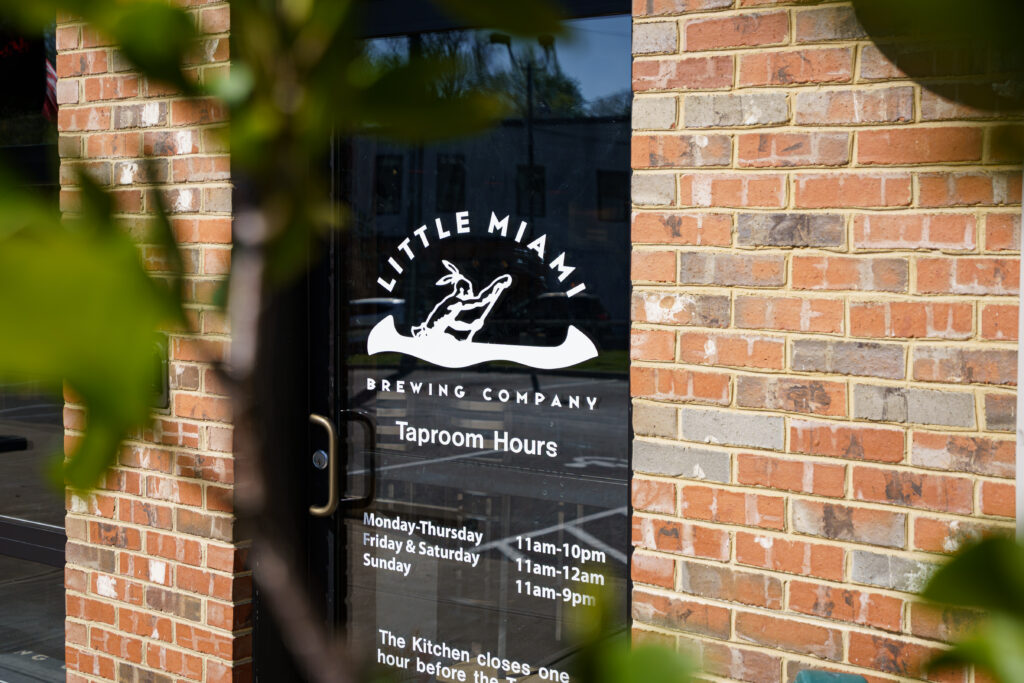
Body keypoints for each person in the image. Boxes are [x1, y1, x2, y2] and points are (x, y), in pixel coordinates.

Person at [412, 261, 512, 342]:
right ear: (462, 291)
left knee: (454, 341)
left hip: (435, 333)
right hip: (431, 335)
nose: (471, 296)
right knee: (453, 342)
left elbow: (452, 322)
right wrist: (497, 285)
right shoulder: (455, 303)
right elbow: (481, 301)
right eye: (469, 292)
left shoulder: (452, 301)